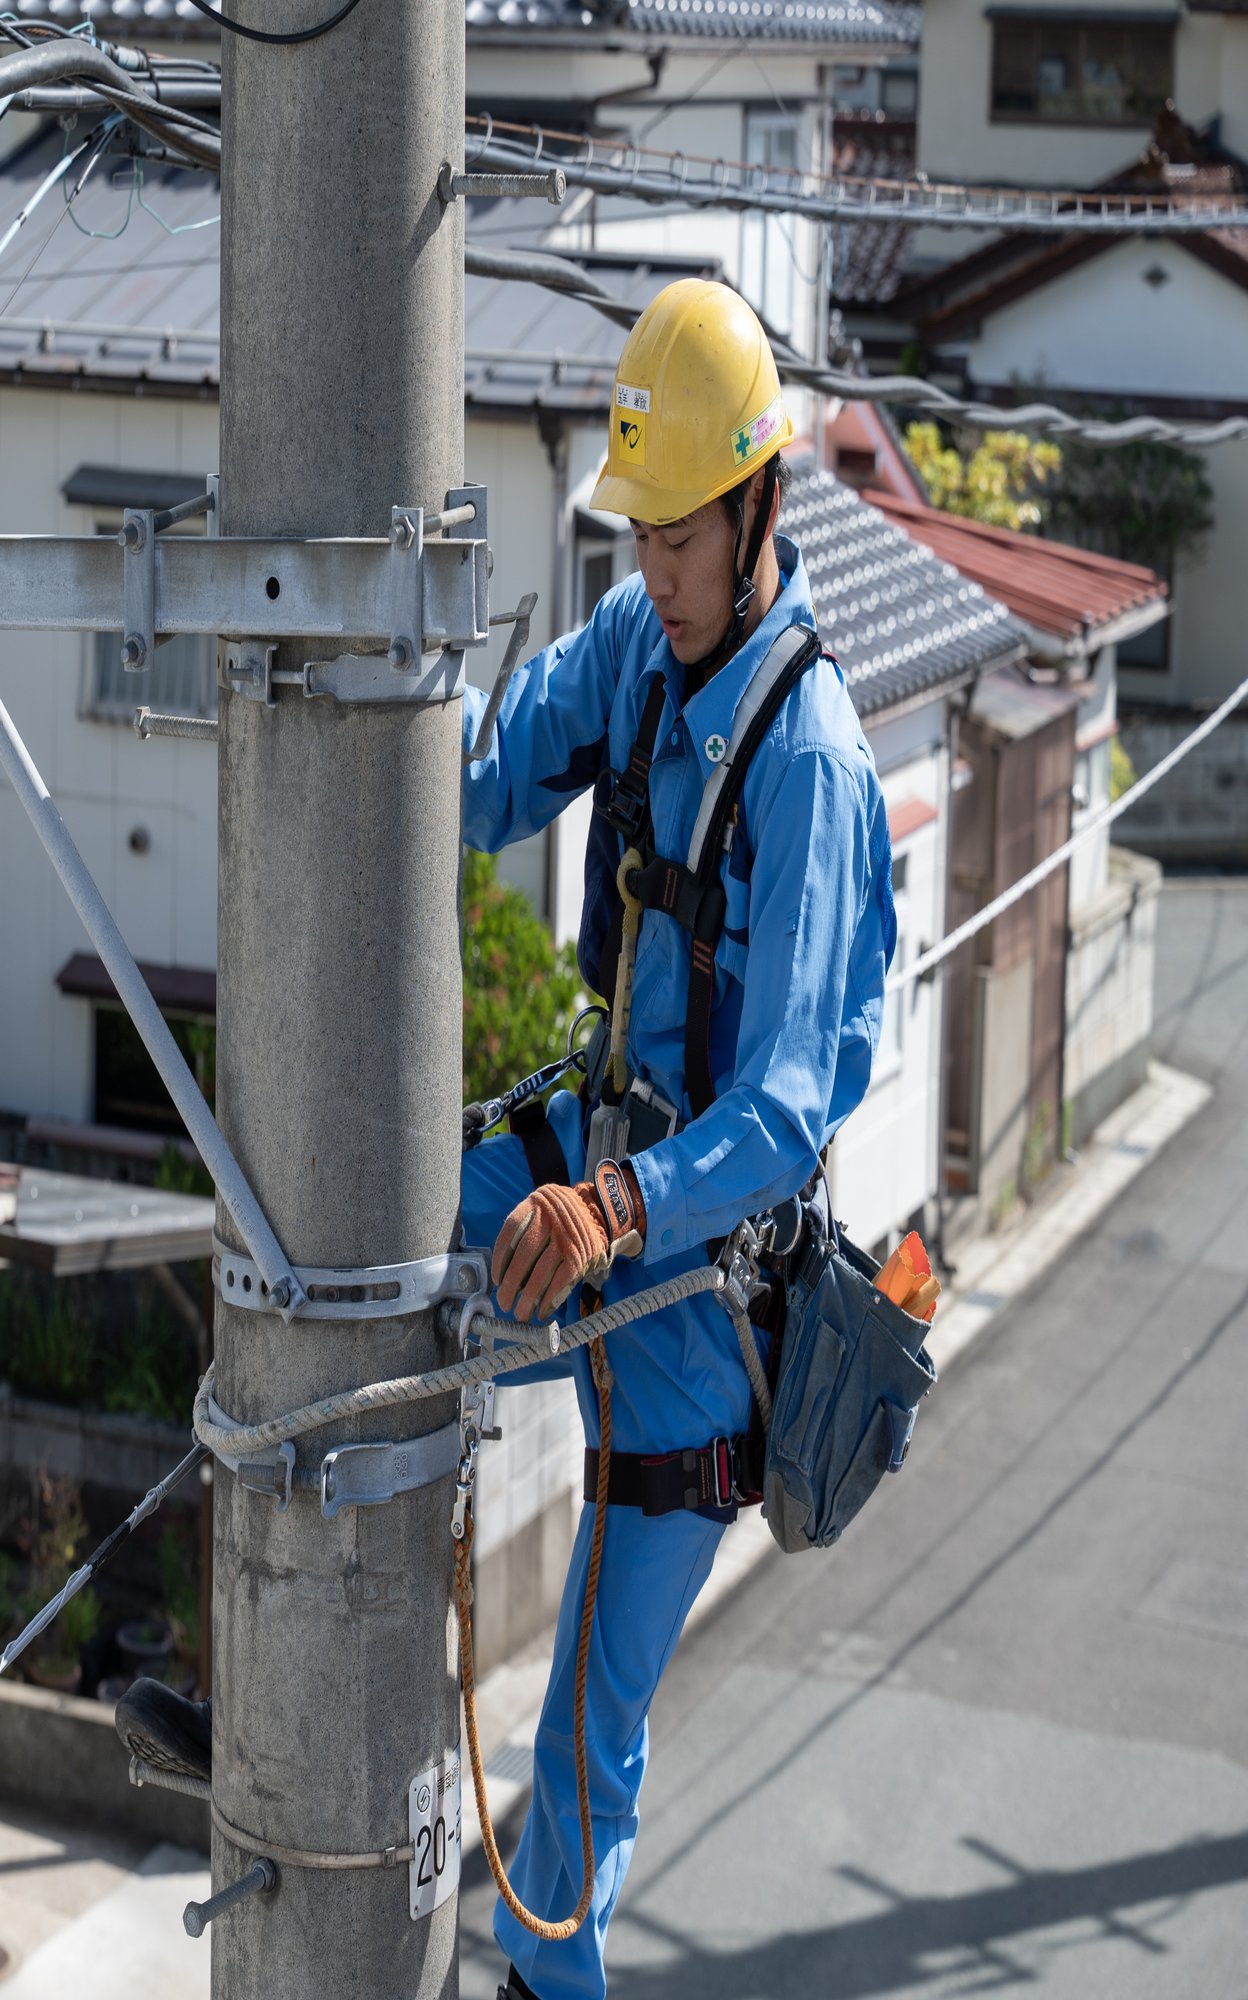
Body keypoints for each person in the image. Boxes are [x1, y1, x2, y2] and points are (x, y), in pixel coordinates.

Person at [459, 277, 897, 1999]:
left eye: (681, 533)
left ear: (759, 504)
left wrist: (620, 1207)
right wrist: (347, 700)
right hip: (593, 1159)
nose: (654, 566)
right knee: (352, 1248)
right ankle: (301, 1688)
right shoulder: (640, 648)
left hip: (703, 1295)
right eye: (638, 533)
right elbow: (490, 776)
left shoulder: (812, 766)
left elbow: (786, 1106)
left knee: (585, 1729)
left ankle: (546, 1984)